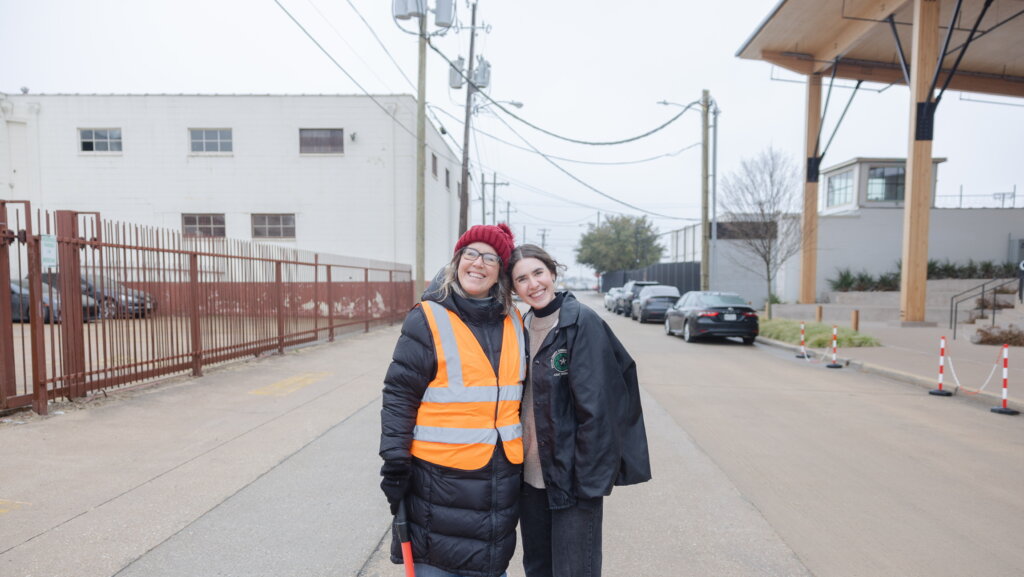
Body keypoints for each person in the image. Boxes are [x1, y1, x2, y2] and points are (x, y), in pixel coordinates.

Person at [379, 223, 525, 577]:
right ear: (457, 261)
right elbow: (399, 394)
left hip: (499, 479)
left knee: (490, 565)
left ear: (500, 273)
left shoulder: (515, 320)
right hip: (439, 481)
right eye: (471, 253)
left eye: (490, 257)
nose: (479, 263)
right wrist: (395, 460)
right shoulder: (427, 317)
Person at [508, 244, 652, 577]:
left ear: (553, 273)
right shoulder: (519, 327)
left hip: (572, 480)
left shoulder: (581, 322)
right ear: (514, 288)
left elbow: (600, 410)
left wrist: (588, 482)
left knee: (574, 571)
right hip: (529, 480)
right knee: (538, 568)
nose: (533, 284)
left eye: (538, 273)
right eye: (521, 279)